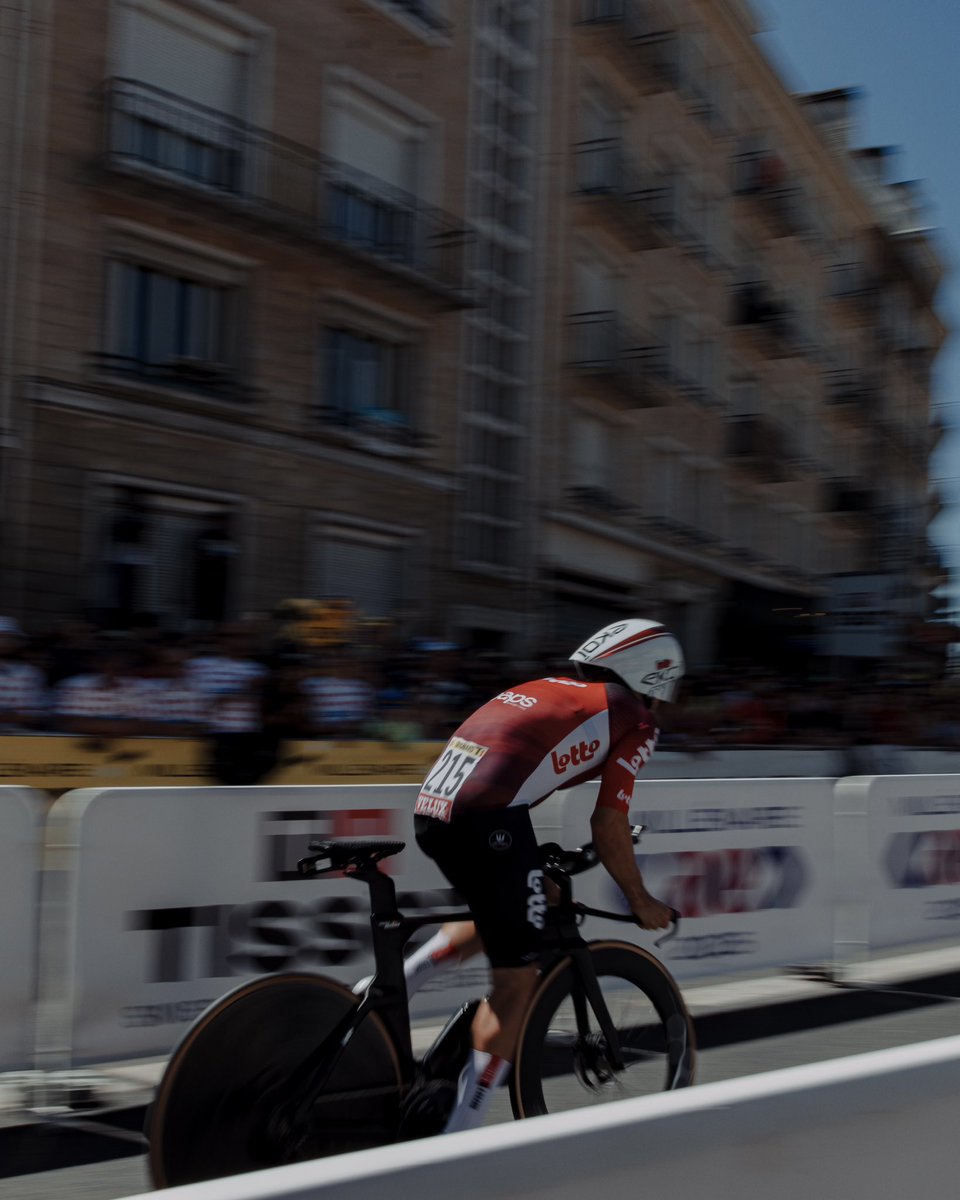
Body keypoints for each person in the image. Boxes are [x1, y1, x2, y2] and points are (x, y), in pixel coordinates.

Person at [401, 617, 683, 1134]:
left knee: (533, 900)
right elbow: (609, 820)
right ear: (653, 677)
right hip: (488, 820)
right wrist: (640, 899)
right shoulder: (636, 718)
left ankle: (401, 980)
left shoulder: (540, 687)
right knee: (516, 982)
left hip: (432, 810)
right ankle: (460, 1134)